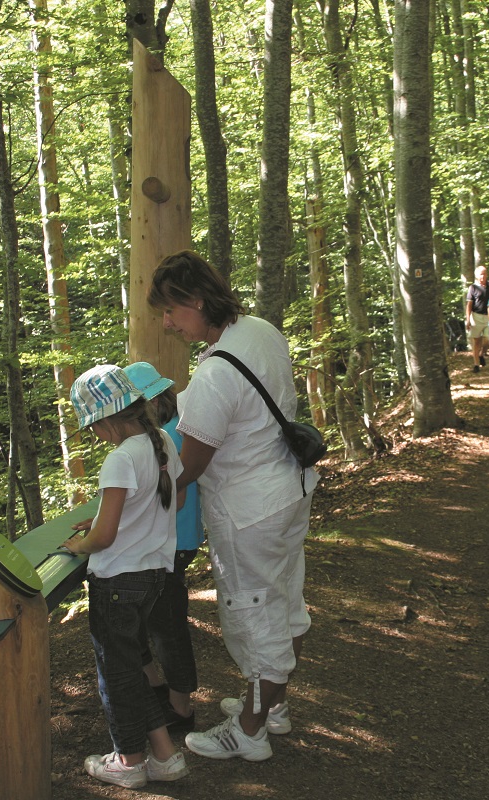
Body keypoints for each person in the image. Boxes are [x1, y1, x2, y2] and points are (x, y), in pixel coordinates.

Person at [147, 249, 317, 763]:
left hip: (248, 513)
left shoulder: (215, 374)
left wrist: (150, 496)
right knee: (284, 604)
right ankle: (273, 705)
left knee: (254, 617)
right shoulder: (260, 331)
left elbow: (192, 463)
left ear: (197, 301)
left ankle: (249, 731)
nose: (167, 323)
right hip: (288, 489)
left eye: (171, 310)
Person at [61, 365, 190, 789]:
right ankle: (165, 755)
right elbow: (164, 504)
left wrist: (79, 544)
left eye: (93, 427)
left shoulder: (120, 458)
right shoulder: (162, 442)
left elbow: (105, 537)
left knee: (116, 677)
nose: (95, 435)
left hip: (116, 581)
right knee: (132, 668)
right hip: (152, 576)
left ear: (106, 421)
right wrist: (104, 519)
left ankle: (129, 761)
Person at [122, 361, 204, 734]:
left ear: (152, 402)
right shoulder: (171, 431)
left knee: (166, 626)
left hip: (171, 542)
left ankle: (180, 708)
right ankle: (158, 688)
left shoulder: (168, 437)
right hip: (169, 540)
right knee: (150, 619)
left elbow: (171, 496)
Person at [464, 265, 489, 372]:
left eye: (484, 274)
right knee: (476, 341)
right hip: (476, 316)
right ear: (476, 275)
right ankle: (476, 364)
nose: (483, 276)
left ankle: (482, 354)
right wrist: (468, 320)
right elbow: (469, 305)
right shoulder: (473, 288)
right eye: (481, 274)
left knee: (488, 339)